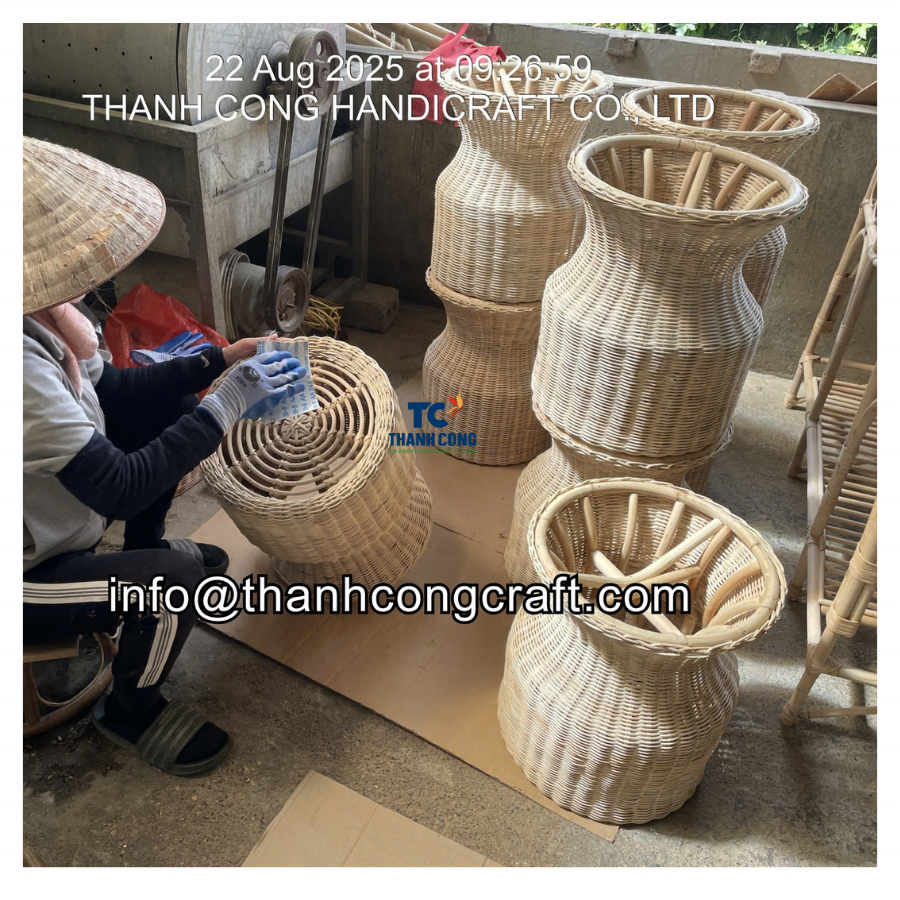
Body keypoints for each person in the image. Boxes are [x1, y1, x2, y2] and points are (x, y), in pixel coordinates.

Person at [23, 137, 306, 775]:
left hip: (50, 521)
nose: (91, 267)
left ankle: (138, 556)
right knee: (174, 585)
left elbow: (118, 393)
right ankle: (131, 708)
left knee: (171, 409)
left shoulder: (44, 314)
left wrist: (219, 360)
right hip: (25, 578)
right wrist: (226, 404)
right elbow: (120, 488)